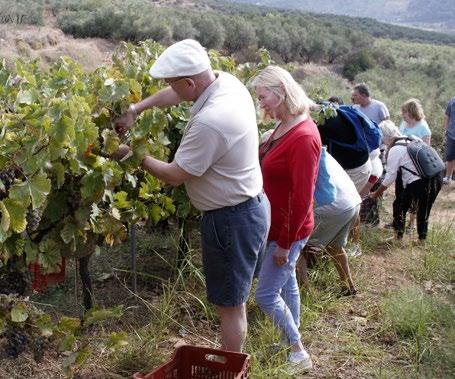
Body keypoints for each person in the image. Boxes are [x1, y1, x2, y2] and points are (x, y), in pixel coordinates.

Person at [114, 39, 270, 352]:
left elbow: (174, 175)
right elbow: (176, 92)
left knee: (230, 305)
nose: (172, 90)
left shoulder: (212, 121)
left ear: (190, 81)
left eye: (174, 84)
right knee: (234, 299)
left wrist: (132, 154)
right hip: (249, 208)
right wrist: (136, 109)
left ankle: (231, 366)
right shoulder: (227, 83)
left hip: (231, 220)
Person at [252, 66, 321, 373]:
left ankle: (298, 351)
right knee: (288, 284)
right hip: (277, 226)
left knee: (266, 295)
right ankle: (289, 338)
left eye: (263, 96)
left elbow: (304, 198)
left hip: (287, 231)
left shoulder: (303, 137)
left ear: (280, 90)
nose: (261, 103)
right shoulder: (284, 126)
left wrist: (286, 244)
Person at [298, 148, 360, 296]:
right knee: (335, 247)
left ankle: (306, 294)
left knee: (295, 246)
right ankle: (348, 287)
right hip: (353, 202)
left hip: (333, 207)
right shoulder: (319, 149)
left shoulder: (299, 154)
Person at [369, 120, 443, 241]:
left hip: (420, 180)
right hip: (437, 174)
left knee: (399, 205)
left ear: (385, 138)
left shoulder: (395, 150)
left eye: (383, 141)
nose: (384, 144)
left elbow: (390, 177)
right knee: (424, 208)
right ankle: (422, 240)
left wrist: (376, 194)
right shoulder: (412, 137)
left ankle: (397, 237)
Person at [443, 96, 455, 185]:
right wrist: (446, 130)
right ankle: (448, 177)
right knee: (450, 156)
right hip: (451, 134)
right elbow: (447, 116)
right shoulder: (452, 101)